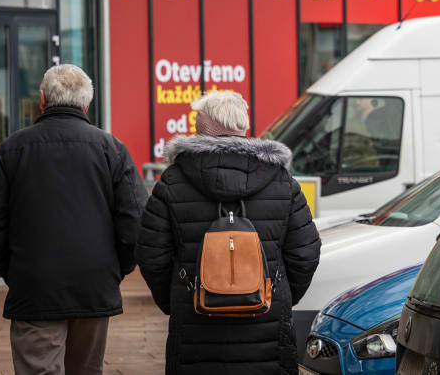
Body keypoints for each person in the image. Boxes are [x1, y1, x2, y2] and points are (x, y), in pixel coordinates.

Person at [0, 64, 147, 375]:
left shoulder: (12, 149)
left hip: (34, 285)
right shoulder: (112, 149)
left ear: (42, 100)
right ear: (87, 104)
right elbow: (136, 221)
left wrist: (13, 269)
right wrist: (114, 270)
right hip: (94, 285)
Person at [136, 91, 321, 374]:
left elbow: (151, 255)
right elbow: (305, 253)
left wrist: (179, 299)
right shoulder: (282, 182)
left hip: (196, 327)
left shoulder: (172, 182)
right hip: (267, 329)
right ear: (243, 126)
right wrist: (276, 294)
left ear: (202, 130)